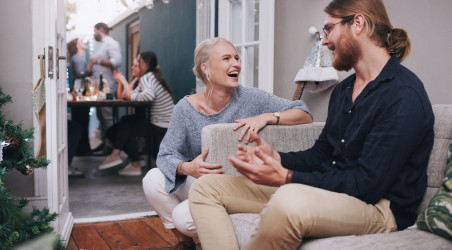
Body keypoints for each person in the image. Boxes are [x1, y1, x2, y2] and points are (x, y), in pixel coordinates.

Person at [188, 0, 435, 249]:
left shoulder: (402, 93)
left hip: (380, 207)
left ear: (358, 23)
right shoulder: (344, 90)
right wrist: (276, 157)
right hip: (334, 191)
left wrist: (287, 177)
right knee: (205, 188)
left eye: (329, 29)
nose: (325, 41)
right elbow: (321, 155)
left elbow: (368, 185)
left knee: (289, 200)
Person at [142, 37, 312, 249]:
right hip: (197, 178)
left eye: (237, 58)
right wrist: (188, 167)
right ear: (205, 68)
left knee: (182, 217)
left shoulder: (251, 98)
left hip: (233, 185)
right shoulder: (184, 109)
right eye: (226, 58)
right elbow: (165, 155)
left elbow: (304, 113)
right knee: (152, 179)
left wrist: (270, 116)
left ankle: (208, 222)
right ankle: (185, 244)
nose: (236, 64)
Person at [98, 51, 174, 176]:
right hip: (162, 121)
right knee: (126, 122)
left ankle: (132, 162)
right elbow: (126, 95)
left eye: (137, 62)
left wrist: (130, 91)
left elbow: (148, 95)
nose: (135, 66)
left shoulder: (148, 77)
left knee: (126, 126)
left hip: (160, 122)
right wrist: (132, 88)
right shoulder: (151, 76)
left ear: (144, 63)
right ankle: (125, 158)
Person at [89, 22, 122, 155]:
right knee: (101, 117)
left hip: (107, 87)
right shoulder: (102, 45)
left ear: (101, 29)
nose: (93, 33)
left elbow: (116, 62)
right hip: (99, 89)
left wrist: (97, 61)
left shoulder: (112, 43)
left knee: (107, 117)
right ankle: (105, 144)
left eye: (94, 30)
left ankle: (110, 146)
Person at [67, 38, 92, 175]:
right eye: (82, 41)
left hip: (80, 90)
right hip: (80, 91)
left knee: (82, 120)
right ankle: (82, 149)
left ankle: (83, 148)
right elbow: (80, 74)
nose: (85, 42)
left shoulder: (78, 57)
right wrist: (92, 65)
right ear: (77, 45)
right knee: (81, 121)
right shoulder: (77, 58)